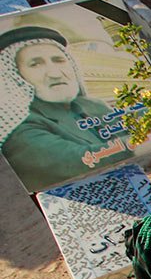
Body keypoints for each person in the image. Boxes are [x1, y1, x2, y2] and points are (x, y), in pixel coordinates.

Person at [0, 25, 134, 191]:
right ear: (16, 75)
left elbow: (130, 131)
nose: (55, 73)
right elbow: (80, 160)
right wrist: (143, 142)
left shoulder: (93, 105)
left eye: (59, 60)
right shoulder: (19, 131)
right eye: (35, 64)